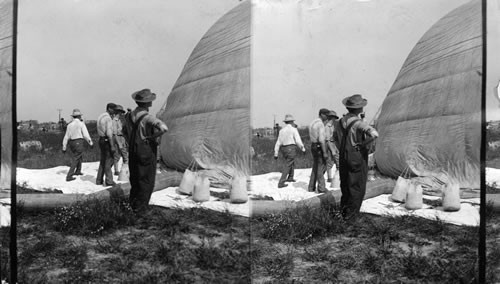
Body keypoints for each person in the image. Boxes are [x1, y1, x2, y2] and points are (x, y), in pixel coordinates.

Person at [333, 94, 379, 221]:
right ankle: (352, 218)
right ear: (359, 109)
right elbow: (375, 134)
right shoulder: (358, 123)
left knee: (346, 185)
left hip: (343, 156)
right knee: (357, 187)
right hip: (356, 157)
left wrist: (342, 148)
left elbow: (334, 138)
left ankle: (343, 213)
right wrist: (362, 144)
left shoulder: (339, 122)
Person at [123, 89, 168, 213]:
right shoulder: (148, 117)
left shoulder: (128, 116)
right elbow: (164, 128)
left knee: (135, 179)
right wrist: (151, 137)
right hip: (145, 151)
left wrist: (130, 141)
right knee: (146, 180)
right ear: (148, 103)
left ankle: (132, 206)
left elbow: (123, 132)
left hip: (132, 150)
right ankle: (141, 209)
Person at [274, 114, 306, 188]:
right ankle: (281, 182)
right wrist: (303, 148)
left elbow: (278, 142)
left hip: (283, 148)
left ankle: (290, 177)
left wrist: (276, 153)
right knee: (288, 164)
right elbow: (298, 141)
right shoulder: (293, 129)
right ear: (292, 122)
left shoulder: (281, 131)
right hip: (291, 147)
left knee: (290, 161)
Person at [62, 109, 93, 181]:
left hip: (71, 142)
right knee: (76, 158)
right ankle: (69, 175)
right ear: (79, 116)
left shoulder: (69, 125)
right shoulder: (81, 124)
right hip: (79, 141)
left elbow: (66, 137)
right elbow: (86, 135)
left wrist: (64, 147)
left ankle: (78, 171)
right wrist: (90, 143)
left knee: (78, 156)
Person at [308, 108, 330, 193]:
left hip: (313, 145)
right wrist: (324, 152)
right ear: (321, 114)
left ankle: (311, 187)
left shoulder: (312, 122)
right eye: (326, 115)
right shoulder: (320, 124)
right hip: (319, 146)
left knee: (315, 166)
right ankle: (321, 188)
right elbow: (321, 140)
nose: (327, 117)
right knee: (321, 167)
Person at [96, 103, 117, 186]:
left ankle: (99, 180)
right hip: (106, 140)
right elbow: (109, 133)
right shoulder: (108, 118)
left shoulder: (101, 116)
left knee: (103, 160)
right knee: (109, 160)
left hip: (101, 139)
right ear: (109, 109)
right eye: (113, 109)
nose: (114, 111)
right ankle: (109, 181)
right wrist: (112, 145)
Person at [112, 105, 129, 175]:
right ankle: (119, 171)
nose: (122, 114)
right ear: (118, 112)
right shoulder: (114, 121)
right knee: (119, 156)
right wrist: (119, 143)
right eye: (121, 112)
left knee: (123, 155)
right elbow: (115, 133)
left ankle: (123, 170)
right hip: (118, 139)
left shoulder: (119, 121)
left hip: (122, 138)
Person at [325, 110, 340, 186]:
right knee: (331, 162)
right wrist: (332, 150)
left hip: (335, 144)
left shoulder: (335, 125)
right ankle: (330, 177)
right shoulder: (327, 126)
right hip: (331, 145)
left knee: (337, 161)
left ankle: (336, 177)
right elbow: (327, 139)